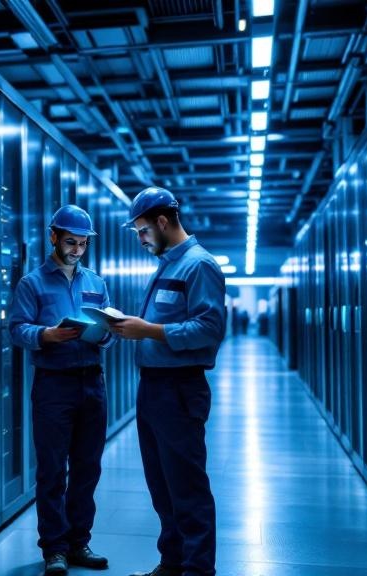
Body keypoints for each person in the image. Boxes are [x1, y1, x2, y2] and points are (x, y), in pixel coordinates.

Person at [108, 187, 226, 576]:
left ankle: (197, 570)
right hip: (154, 388)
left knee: (186, 486)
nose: (141, 240)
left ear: (162, 222)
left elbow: (209, 329)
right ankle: (172, 563)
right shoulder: (167, 264)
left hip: (179, 388)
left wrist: (149, 330)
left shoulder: (198, 264)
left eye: (142, 231)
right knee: (162, 485)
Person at [9, 205, 115, 576]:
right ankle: (54, 548)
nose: (77, 249)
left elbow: (107, 331)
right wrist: (46, 335)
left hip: (92, 382)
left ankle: (78, 542)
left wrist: (105, 335)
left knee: (88, 468)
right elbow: (16, 328)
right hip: (53, 384)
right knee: (53, 470)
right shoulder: (32, 283)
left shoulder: (96, 283)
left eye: (83, 243)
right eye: (71, 241)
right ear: (53, 236)